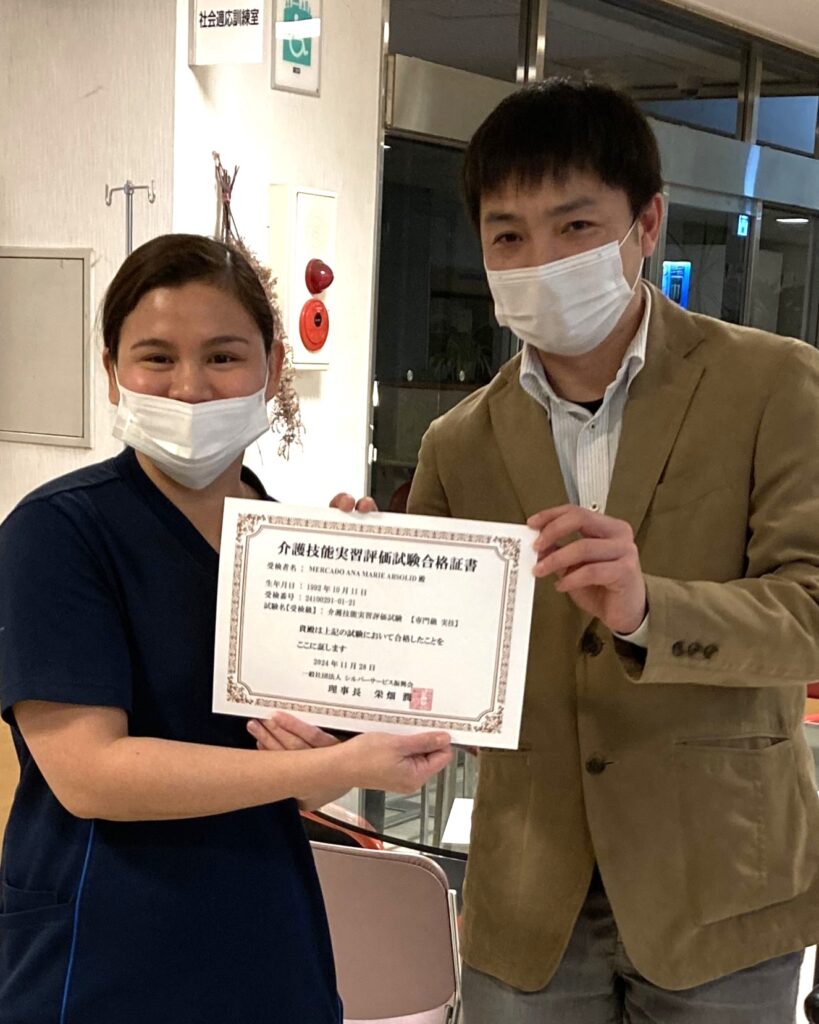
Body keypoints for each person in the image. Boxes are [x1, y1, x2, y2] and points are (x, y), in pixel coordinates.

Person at [403, 81, 819, 1021]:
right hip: (528, 888)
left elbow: (810, 612)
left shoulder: (773, 385)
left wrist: (646, 610)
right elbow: (436, 666)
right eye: (508, 236)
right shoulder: (456, 444)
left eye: (575, 226)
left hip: (721, 879)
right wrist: (361, 587)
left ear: (647, 225)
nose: (540, 260)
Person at [0, 234, 452, 1024]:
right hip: (105, 944)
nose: (189, 388)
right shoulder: (58, 533)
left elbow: (313, 776)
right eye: (156, 358)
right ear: (111, 371)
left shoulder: (290, 551)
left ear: (272, 368)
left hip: (266, 929)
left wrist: (370, 587)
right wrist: (322, 766)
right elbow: (90, 773)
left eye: (222, 356)